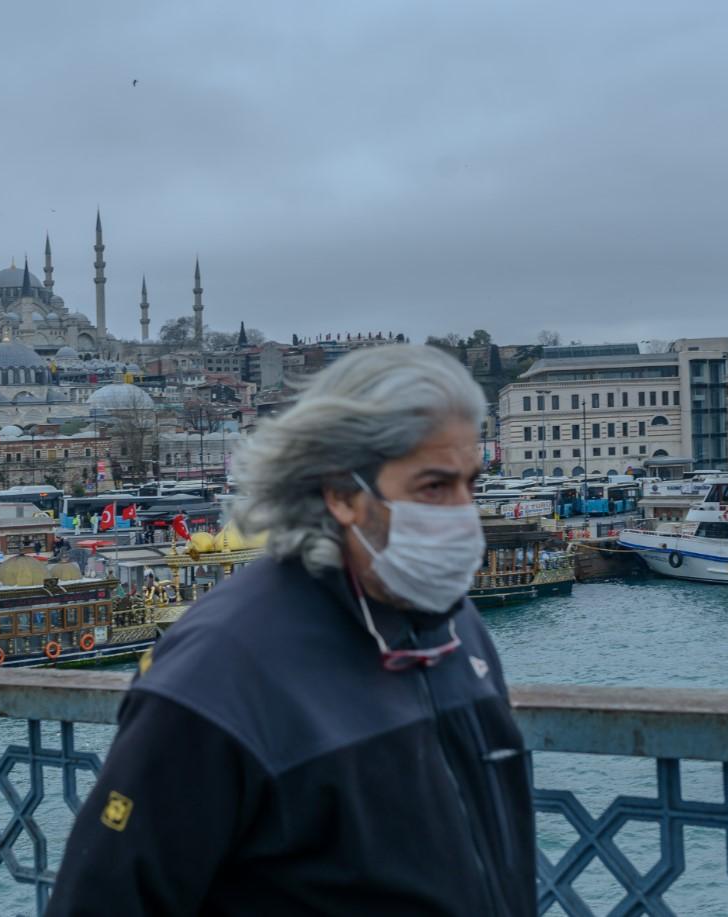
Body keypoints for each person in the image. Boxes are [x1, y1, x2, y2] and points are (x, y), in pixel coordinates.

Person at [49, 345, 534, 916]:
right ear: (342, 492)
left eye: (469, 484)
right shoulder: (218, 670)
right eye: (433, 488)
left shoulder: (454, 626)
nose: (463, 513)